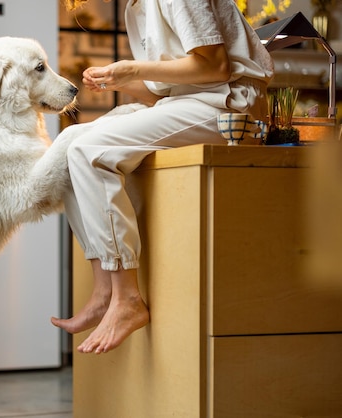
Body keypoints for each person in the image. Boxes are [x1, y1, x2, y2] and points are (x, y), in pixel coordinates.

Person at [51, 0, 273, 354]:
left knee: (88, 151)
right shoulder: (136, 6)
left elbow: (215, 66)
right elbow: (167, 90)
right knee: (68, 147)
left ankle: (127, 299)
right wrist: (121, 80)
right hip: (192, 100)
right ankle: (104, 290)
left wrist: (134, 68)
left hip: (228, 104)